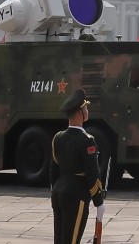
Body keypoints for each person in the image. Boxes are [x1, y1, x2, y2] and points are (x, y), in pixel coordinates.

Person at [50, 89, 105, 244]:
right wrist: (99, 201)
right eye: (86, 107)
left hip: (58, 193)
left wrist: (57, 189)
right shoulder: (87, 140)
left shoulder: (58, 137)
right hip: (76, 195)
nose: (87, 110)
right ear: (81, 112)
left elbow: (53, 171)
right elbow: (92, 173)